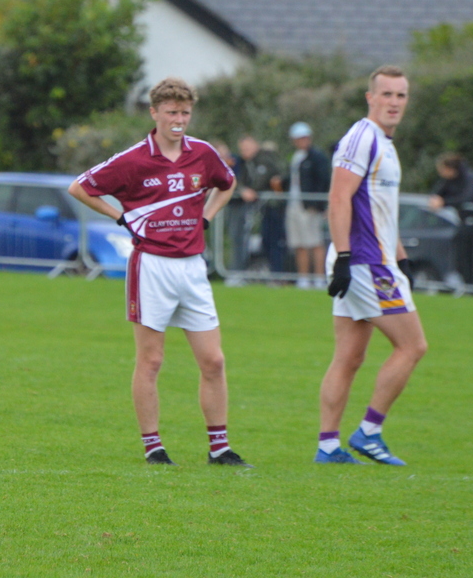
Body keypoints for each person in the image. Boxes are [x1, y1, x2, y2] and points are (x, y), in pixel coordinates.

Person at [67, 77, 252, 469]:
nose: (179, 119)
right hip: (151, 266)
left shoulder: (202, 154)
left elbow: (228, 184)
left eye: (185, 112)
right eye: (171, 112)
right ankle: (154, 447)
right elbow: (80, 188)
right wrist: (122, 217)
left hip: (193, 269)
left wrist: (207, 215)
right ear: (154, 113)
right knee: (151, 361)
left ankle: (219, 448)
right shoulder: (134, 159)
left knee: (214, 361)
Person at [318, 65, 428, 466]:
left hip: (375, 258)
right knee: (413, 346)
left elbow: (380, 210)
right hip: (365, 262)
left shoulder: (384, 141)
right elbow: (338, 197)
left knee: (349, 357)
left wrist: (401, 255)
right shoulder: (362, 137)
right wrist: (345, 257)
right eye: (387, 94)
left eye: (401, 95)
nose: (394, 102)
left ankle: (328, 446)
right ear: (370, 97)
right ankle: (369, 431)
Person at [428, 152, 473, 287]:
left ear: (449, 169)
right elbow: (438, 192)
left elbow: (467, 198)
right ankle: (466, 281)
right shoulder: (449, 180)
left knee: (466, 247)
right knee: (460, 246)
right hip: (463, 219)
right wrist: (435, 199)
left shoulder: (470, 178)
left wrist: (444, 202)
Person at [284, 122, 331, 289]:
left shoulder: (318, 157)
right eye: (298, 138)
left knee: (315, 243)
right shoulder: (296, 156)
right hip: (294, 205)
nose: (301, 141)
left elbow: (324, 181)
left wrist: (318, 204)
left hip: (310, 206)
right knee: (299, 244)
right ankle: (303, 279)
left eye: (304, 137)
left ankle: (319, 278)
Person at [231, 134, 285, 279]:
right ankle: (257, 274)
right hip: (259, 209)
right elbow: (238, 181)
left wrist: (250, 190)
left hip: (272, 207)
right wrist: (242, 189)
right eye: (242, 149)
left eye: (247, 148)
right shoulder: (245, 163)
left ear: (255, 145)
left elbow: (262, 180)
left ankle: (277, 276)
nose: (244, 152)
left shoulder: (265, 160)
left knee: (273, 242)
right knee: (262, 242)